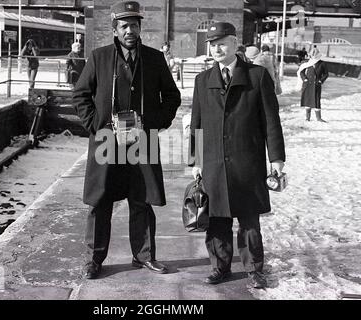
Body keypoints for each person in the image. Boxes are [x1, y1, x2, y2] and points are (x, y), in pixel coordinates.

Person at [72, 1, 181, 280]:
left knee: (141, 199)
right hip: (107, 140)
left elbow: (172, 97)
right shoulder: (99, 57)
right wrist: (96, 125)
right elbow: (81, 95)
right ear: (115, 29)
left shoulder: (154, 59)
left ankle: (143, 256)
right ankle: (93, 259)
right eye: (124, 26)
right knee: (100, 201)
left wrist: (154, 123)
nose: (130, 30)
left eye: (134, 25)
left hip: (141, 141)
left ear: (140, 27)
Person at [189, 22, 286, 289]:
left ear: (234, 43)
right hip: (213, 162)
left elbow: (271, 121)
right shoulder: (202, 80)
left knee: (249, 219)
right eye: (212, 44)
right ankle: (220, 267)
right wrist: (196, 161)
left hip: (247, 162)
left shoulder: (256, 76)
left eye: (221, 43)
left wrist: (276, 158)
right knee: (217, 219)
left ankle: (254, 269)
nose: (216, 48)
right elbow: (196, 124)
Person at [297, 47, 328, 122]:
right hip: (308, 84)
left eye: (315, 54)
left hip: (317, 84)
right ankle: (307, 118)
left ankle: (318, 118)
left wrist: (321, 80)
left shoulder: (322, 63)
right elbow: (301, 72)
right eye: (312, 54)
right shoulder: (307, 63)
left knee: (317, 100)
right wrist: (304, 79)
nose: (313, 55)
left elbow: (326, 74)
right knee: (308, 100)